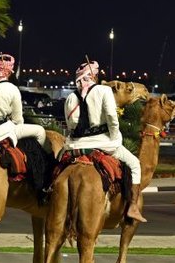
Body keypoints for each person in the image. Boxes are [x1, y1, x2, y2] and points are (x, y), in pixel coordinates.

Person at [62, 59, 146, 222]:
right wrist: (115, 137)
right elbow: (112, 119)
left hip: (75, 145)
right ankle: (133, 207)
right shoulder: (104, 91)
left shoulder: (71, 97)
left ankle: (46, 194)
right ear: (93, 76)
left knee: (56, 164)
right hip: (103, 143)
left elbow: (70, 123)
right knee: (135, 164)